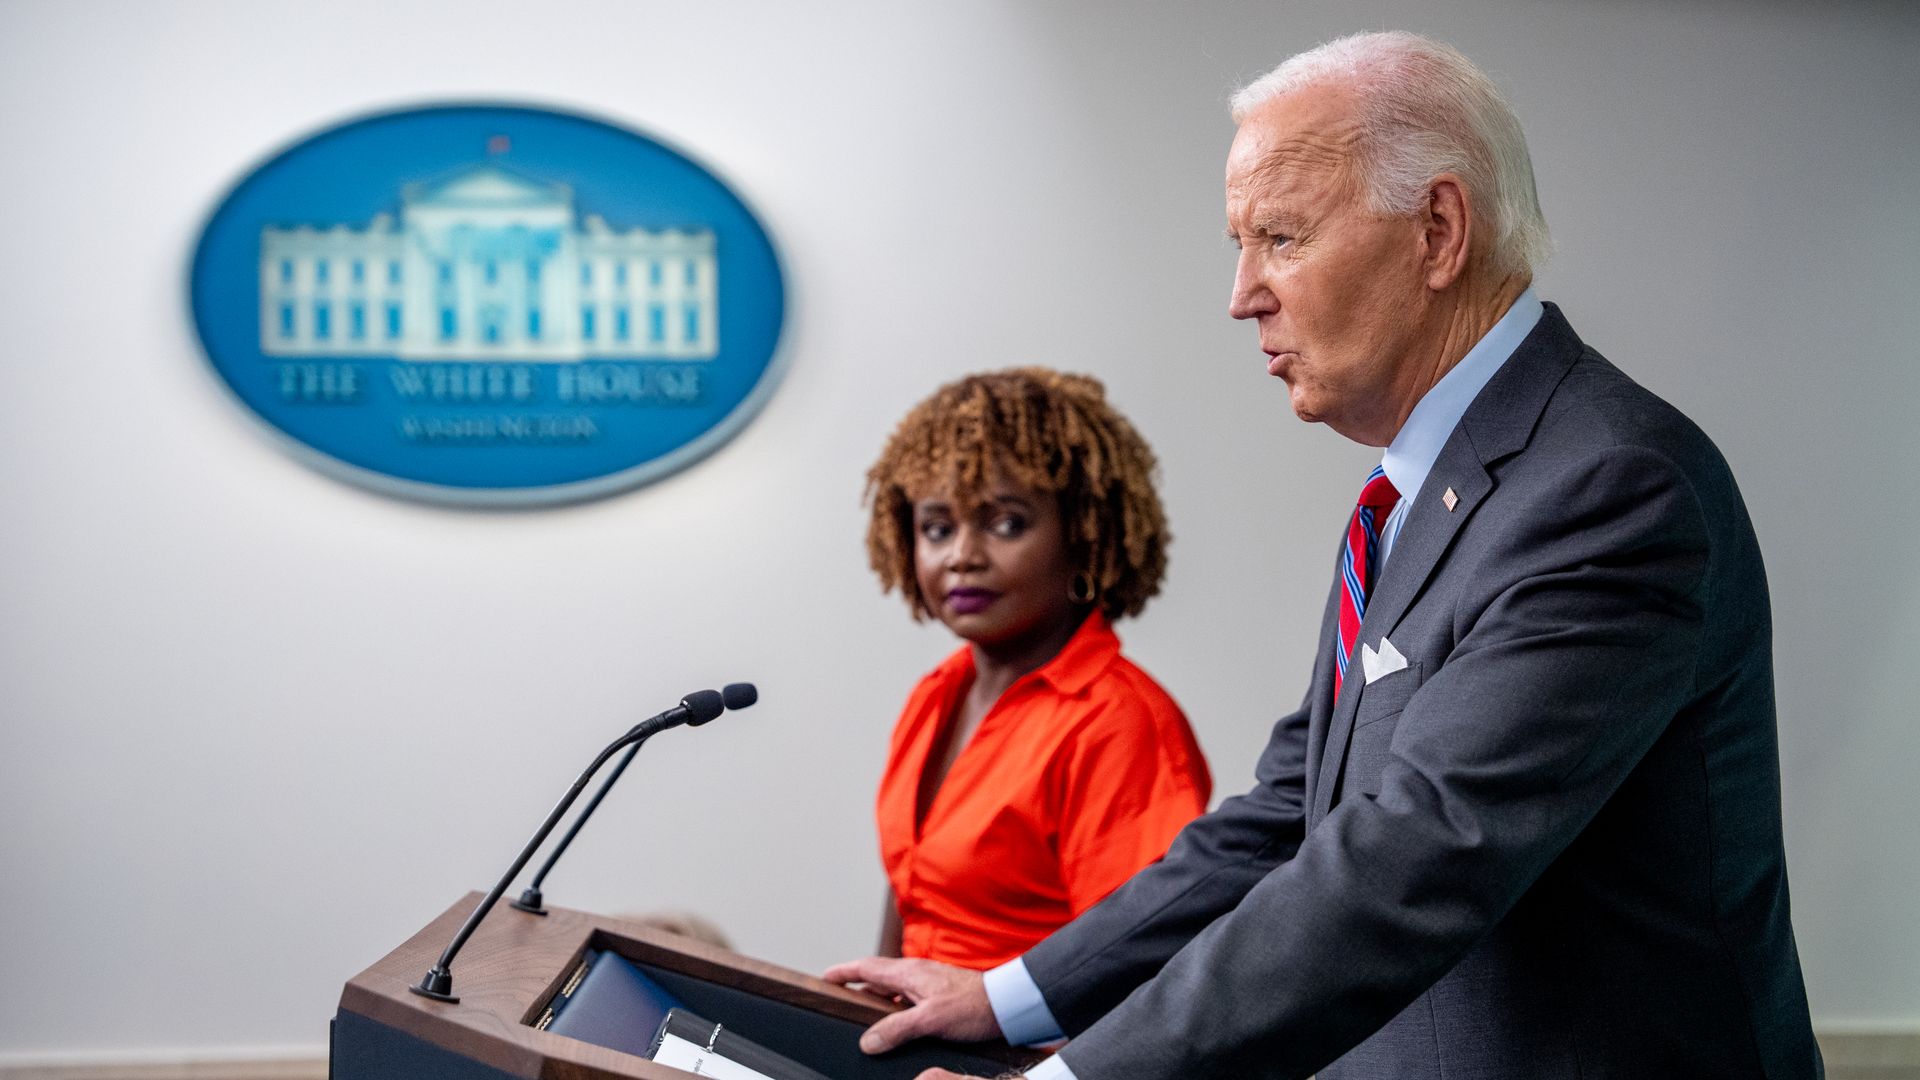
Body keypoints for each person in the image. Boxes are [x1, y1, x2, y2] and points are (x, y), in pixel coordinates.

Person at [826, 31, 1822, 1080]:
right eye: (1239, 245)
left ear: (1438, 231)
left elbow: (1415, 857)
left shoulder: (1609, 486)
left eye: (1282, 238)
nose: (1244, 293)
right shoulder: (1412, 495)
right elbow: (1290, 818)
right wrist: (1012, 997)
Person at [859, 367, 1212, 973]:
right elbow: (911, 903)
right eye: (937, 529)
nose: (963, 557)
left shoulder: (1119, 723)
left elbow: (1137, 973)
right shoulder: (938, 694)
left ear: (1083, 534)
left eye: (1006, 524)